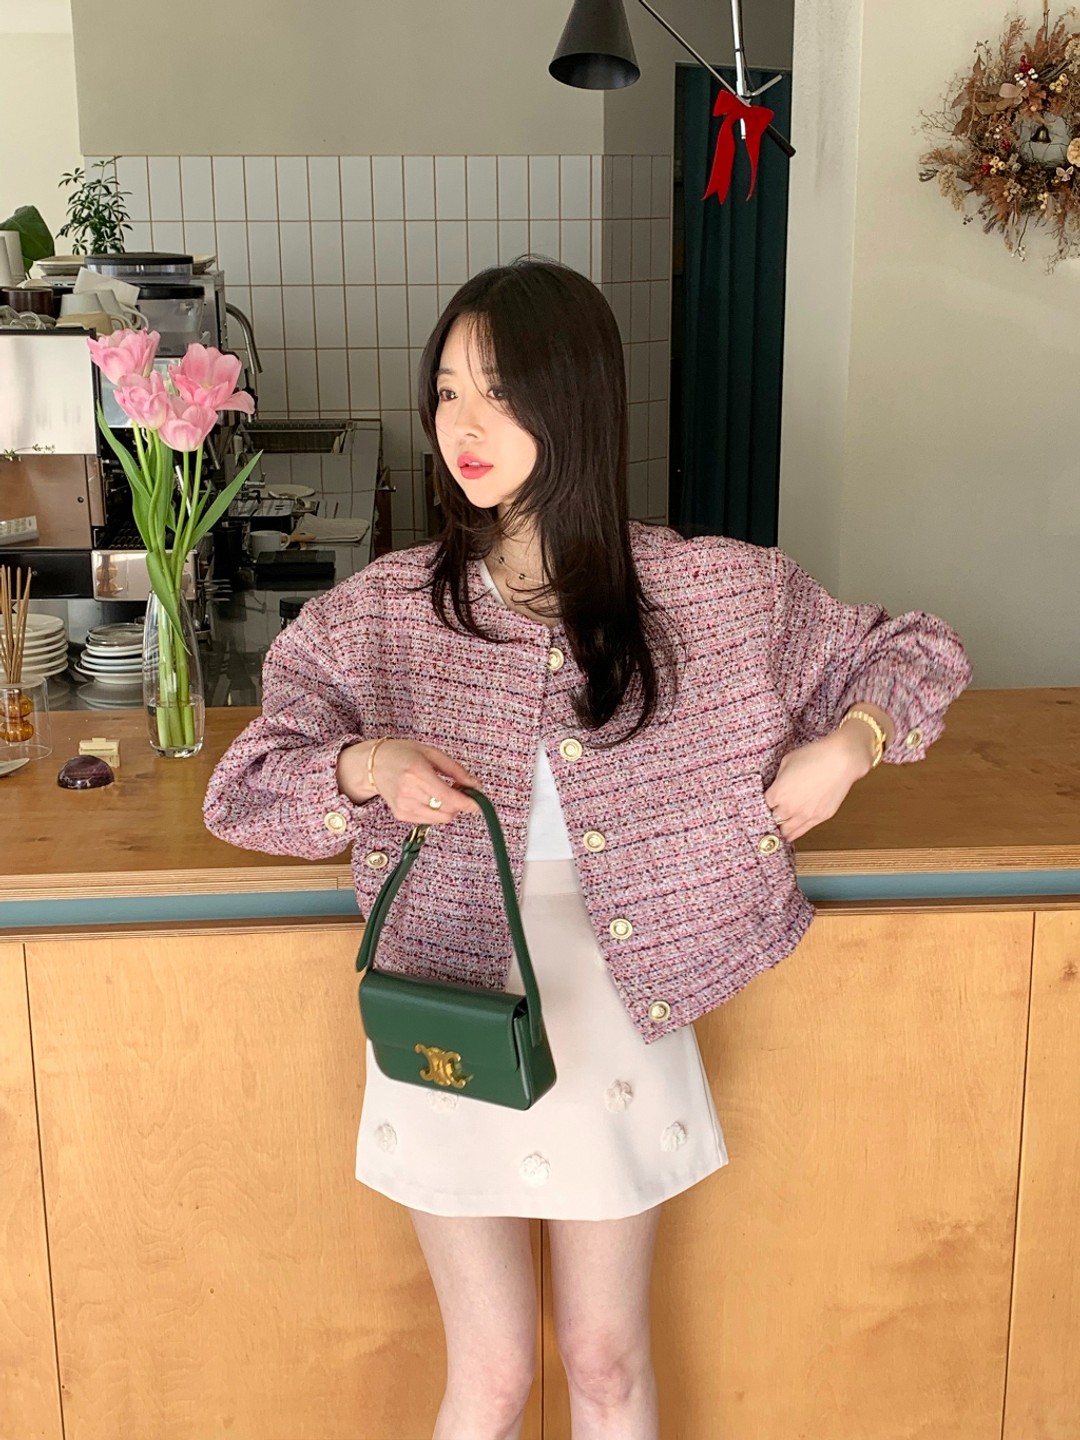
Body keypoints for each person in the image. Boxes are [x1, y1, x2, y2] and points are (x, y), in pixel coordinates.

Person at [203, 257, 973, 1440]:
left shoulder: (711, 594)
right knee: (493, 1375)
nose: (463, 425)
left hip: (623, 1006)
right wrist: (369, 766)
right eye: (448, 391)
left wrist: (849, 746)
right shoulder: (383, 613)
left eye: (500, 392)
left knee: (607, 1365)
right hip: (447, 1007)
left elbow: (916, 649)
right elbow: (245, 789)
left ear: (577, 403)